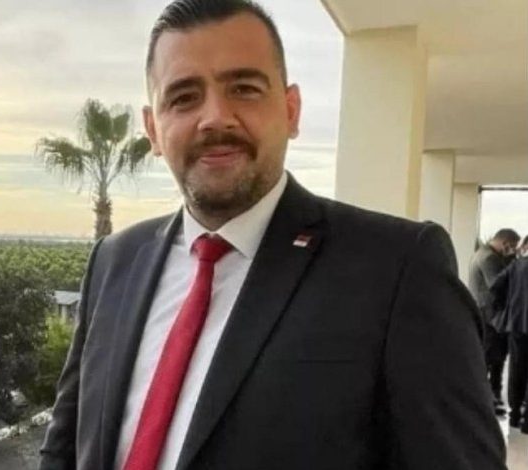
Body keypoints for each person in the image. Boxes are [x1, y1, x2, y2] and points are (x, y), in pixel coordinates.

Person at [40, 1, 506, 468]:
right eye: (183, 97)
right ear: (153, 130)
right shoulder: (114, 262)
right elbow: (63, 450)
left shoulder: (397, 269)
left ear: (291, 110)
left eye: (243, 89)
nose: (215, 117)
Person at [468, 228, 520, 411]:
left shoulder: (481, 253)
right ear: (505, 242)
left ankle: (491, 394)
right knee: (492, 357)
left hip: (485, 313)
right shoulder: (489, 258)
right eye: (512, 246)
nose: (512, 250)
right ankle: (487, 396)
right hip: (490, 315)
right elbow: (498, 284)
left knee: (492, 356)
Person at [491, 235, 528, 433]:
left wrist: (508, 306)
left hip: (517, 324)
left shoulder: (516, 266)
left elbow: (495, 286)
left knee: (516, 369)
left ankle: (514, 416)